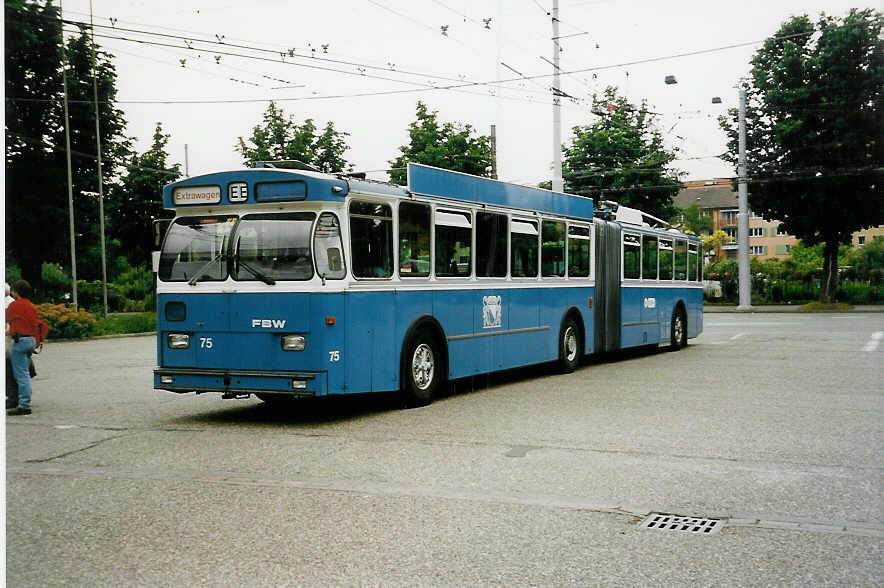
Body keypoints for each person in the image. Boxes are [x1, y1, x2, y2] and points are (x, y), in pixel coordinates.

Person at [6, 279, 39, 415]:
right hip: (31, 340)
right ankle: (25, 397)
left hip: (20, 341)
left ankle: (24, 404)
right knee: (24, 372)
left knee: (21, 375)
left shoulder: (14, 306)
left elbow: (8, 321)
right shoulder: (30, 305)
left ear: (16, 292)